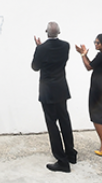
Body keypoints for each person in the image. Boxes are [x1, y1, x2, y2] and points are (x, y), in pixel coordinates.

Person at [32, 21, 77, 173]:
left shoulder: (42, 48)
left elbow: (35, 67)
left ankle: (62, 160)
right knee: (64, 120)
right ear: (59, 32)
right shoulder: (66, 46)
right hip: (61, 88)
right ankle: (71, 153)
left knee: (52, 124)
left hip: (47, 90)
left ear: (46, 32)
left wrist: (38, 48)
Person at [74, 33, 102, 156]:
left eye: (98, 42)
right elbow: (93, 65)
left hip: (98, 84)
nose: (95, 44)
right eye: (95, 42)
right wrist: (85, 54)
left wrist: (82, 55)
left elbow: (88, 67)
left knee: (95, 113)